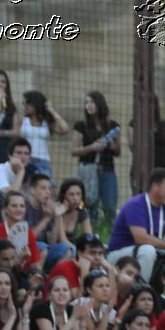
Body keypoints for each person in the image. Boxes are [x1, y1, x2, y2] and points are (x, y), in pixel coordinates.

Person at [106, 168, 165, 281]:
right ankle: (141, 291)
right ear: (155, 187)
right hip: (119, 254)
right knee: (147, 250)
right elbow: (140, 238)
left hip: (151, 251)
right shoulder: (136, 205)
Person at [71, 90, 121, 227]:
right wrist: (92, 147)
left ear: (100, 103)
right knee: (88, 204)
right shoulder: (81, 125)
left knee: (110, 206)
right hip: (88, 171)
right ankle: (88, 230)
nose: (88, 105)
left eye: (92, 102)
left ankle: (108, 232)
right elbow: (73, 150)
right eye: (86, 102)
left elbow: (118, 152)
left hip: (107, 170)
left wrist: (112, 145)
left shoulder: (112, 125)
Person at [18, 90, 65, 179]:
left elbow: (64, 129)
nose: (25, 105)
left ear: (35, 104)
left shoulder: (46, 123)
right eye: (24, 102)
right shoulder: (22, 121)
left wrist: (52, 110)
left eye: (27, 102)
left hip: (43, 160)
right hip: (25, 160)